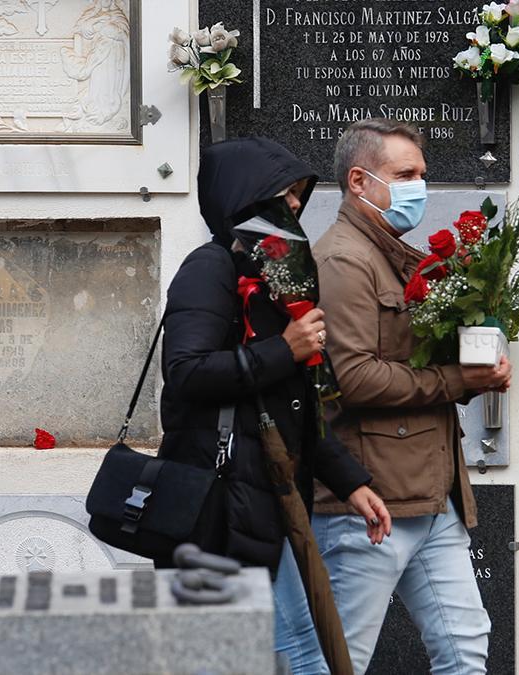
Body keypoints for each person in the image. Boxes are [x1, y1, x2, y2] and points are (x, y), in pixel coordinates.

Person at [159, 137, 392, 675]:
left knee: (276, 653)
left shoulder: (274, 281)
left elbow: (294, 407)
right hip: (222, 501)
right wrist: (284, 348)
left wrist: (351, 482)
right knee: (298, 654)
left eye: (296, 196)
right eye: (281, 195)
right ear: (244, 197)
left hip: (267, 494)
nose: (293, 207)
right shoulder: (210, 267)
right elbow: (186, 372)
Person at [312, 118, 511, 674]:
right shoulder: (343, 261)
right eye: (405, 174)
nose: (419, 186)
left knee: (466, 650)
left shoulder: (396, 254)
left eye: (422, 173)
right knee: (339, 661)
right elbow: (353, 378)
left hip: (430, 495)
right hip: (370, 503)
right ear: (359, 181)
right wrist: (458, 381)